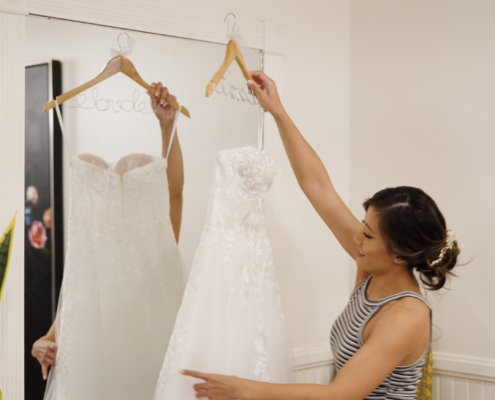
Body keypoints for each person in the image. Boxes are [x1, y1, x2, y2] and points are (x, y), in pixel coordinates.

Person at [182, 71, 460, 400]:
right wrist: (278, 111)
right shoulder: (372, 266)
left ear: (399, 254)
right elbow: (318, 188)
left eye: (368, 236)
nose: (357, 238)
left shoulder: (405, 316)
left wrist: (243, 388)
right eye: (363, 226)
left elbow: (341, 393)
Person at [31, 83, 184, 380]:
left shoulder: (160, 245)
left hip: (155, 363)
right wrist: (43, 341)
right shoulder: (92, 252)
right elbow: (75, 305)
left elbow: (175, 192)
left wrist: (168, 127)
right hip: (92, 370)